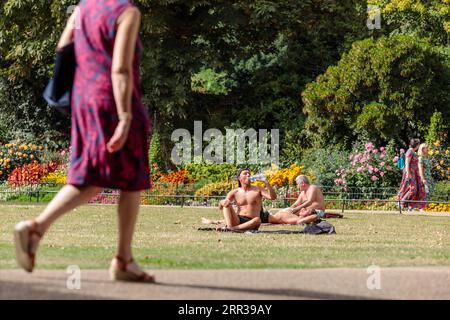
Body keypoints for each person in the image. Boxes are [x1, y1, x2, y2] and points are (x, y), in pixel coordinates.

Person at [13, 0, 154, 282]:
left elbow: (64, 45)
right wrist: (125, 116)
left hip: (84, 100)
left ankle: (38, 229)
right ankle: (122, 260)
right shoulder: (127, 13)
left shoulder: (83, 9)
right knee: (132, 177)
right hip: (113, 100)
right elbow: (120, 69)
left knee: (91, 175)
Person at [210, 168, 277, 231]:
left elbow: (273, 197)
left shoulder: (258, 189)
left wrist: (266, 182)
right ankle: (230, 227)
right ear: (239, 178)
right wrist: (222, 202)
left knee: (257, 220)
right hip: (238, 220)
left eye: (249, 174)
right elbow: (221, 207)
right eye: (245, 173)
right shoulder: (235, 191)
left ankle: (231, 229)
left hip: (252, 221)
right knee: (226, 202)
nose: (248, 175)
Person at [397, 139, 427, 211]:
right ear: (416, 145)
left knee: (416, 190)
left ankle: (410, 205)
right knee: (412, 189)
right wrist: (408, 174)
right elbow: (407, 163)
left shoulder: (413, 152)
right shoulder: (410, 151)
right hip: (410, 173)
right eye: (418, 144)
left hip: (414, 174)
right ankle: (402, 201)